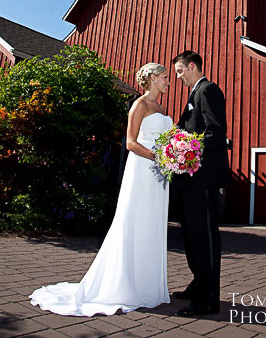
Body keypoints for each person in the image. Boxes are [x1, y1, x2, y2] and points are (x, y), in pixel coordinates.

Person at [29, 63, 172, 316]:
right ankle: (124, 285)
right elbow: (130, 142)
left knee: (152, 223)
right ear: (151, 78)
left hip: (159, 176)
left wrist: (172, 157)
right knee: (134, 221)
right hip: (142, 169)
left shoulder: (161, 108)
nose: (167, 82)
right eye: (163, 77)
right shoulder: (139, 105)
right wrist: (157, 157)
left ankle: (148, 285)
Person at [172, 51, 230, 316]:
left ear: (192, 66)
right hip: (190, 179)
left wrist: (190, 154)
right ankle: (198, 284)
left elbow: (215, 131)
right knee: (191, 235)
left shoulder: (207, 91)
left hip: (203, 177)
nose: (179, 77)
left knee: (205, 238)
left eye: (180, 71)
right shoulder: (194, 93)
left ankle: (207, 300)